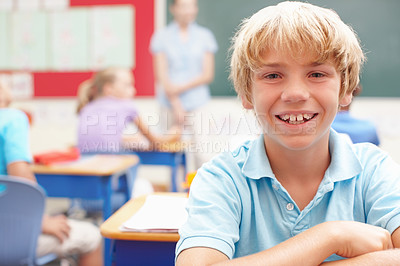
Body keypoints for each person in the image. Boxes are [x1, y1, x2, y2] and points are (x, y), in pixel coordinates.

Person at [176, 2, 400, 265]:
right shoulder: (222, 178)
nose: (295, 93)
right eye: (272, 75)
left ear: (346, 89)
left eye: (316, 74)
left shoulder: (373, 170)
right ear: (247, 94)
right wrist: (330, 236)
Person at [0, 82, 103, 266]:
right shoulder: (12, 118)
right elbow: (19, 177)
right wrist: (41, 221)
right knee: (92, 237)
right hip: (9, 237)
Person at [150, 0, 218, 169]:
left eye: (192, 6)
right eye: (183, 6)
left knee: (203, 152)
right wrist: (176, 103)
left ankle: (203, 192)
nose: (189, 10)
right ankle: (176, 193)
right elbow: (161, 74)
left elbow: (207, 75)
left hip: (198, 102)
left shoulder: (205, 36)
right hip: (169, 103)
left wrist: (178, 89)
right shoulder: (161, 36)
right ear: (173, 9)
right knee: (173, 152)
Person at [77, 66, 181, 153]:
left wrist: (128, 139)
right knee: (133, 160)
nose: (134, 90)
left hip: (85, 165)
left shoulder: (87, 107)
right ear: (109, 89)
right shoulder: (126, 106)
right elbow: (156, 143)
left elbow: (98, 141)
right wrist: (173, 134)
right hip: (110, 165)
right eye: (128, 85)